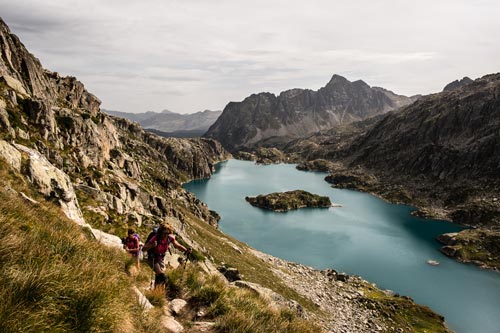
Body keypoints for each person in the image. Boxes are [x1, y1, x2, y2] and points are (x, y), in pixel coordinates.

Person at [142, 222, 190, 286]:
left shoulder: (169, 238)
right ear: (161, 232)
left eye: (167, 233)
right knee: (162, 276)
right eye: (164, 233)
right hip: (152, 258)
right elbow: (143, 248)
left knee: (159, 277)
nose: (165, 235)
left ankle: (156, 292)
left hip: (161, 258)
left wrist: (186, 250)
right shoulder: (156, 238)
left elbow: (178, 246)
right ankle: (163, 291)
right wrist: (152, 245)